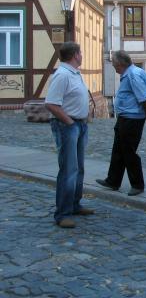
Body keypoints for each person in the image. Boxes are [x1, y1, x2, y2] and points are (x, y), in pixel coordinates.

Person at [44, 42, 92, 228]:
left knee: (78, 168)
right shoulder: (62, 75)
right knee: (68, 170)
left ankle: (74, 204)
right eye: (80, 52)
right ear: (75, 55)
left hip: (79, 125)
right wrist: (70, 122)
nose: (82, 55)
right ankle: (62, 213)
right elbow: (51, 104)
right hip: (68, 126)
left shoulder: (74, 73)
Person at [96, 51, 146, 196]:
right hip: (125, 117)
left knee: (129, 152)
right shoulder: (135, 72)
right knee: (118, 150)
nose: (114, 68)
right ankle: (113, 180)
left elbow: (145, 98)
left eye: (115, 65)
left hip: (132, 119)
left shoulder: (132, 75)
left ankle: (137, 184)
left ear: (121, 64)